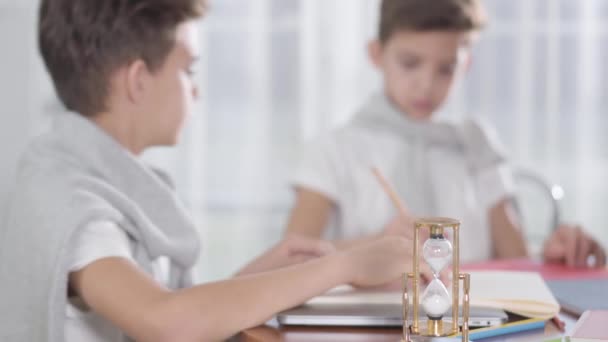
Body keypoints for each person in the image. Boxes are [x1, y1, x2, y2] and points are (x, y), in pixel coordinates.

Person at [0, 1, 414, 341]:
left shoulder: (105, 176)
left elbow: (169, 312)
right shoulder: (69, 197)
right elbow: (163, 321)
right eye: (189, 70)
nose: (195, 90)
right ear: (138, 81)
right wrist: (342, 268)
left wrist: (254, 278)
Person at [286, 0, 606, 268]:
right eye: (410, 63)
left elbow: (517, 263)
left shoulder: (476, 144)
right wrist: (376, 245)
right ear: (376, 54)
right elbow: (289, 264)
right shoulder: (333, 150)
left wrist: (554, 256)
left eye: (446, 68)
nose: (426, 84)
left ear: (465, 66)